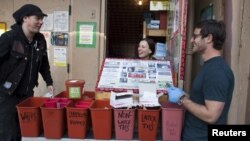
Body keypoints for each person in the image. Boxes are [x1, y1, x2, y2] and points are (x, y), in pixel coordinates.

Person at [166, 19, 234, 141]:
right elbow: (202, 99)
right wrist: (184, 95)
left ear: (208, 38)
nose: (192, 40)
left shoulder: (217, 71)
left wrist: (182, 99)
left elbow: (211, 115)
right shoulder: (209, 66)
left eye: (195, 36)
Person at [0, 4, 54, 141]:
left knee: (22, 132)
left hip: (27, 95)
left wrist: (49, 82)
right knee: (8, 134)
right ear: (25, 18)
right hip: (7, 95)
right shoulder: (9, 38)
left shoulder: (40, 40)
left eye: (42, 19)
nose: (41, 22)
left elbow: (44, 63)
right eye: (38, 18)